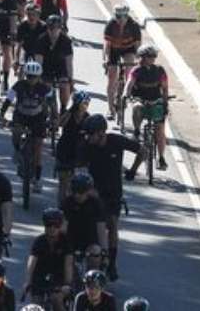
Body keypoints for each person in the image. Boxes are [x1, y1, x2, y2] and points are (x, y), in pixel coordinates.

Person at [78, 115, 141, 281]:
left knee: (112, 225)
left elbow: (143, 151)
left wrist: (133, 170)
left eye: (90, 134)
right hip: (92, 193)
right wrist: (87, 191)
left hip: (113, 194)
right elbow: (80, 170)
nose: (87, 137)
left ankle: (112, 263)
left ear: (100, 133)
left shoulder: (116, 141)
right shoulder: (86, 147)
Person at [0, 61, 53, 192]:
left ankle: (37, 179)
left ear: (39, 77)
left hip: (38, 118)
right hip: (21, 116)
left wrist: (55, 118)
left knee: (38, 148)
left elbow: (53, 105)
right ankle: (17, 150)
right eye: (29, 76)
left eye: (34, 77)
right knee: (16, 132)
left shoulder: (45, 89)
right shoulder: (19, 85)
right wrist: (2, 115)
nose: (31, 79)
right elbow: (8, 100)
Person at [126, 45, 170, 169]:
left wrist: (165, 103)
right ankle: (136, 131)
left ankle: (161, 158)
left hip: (156, 101)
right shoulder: (136, 70)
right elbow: (129, 84)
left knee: (160, 131)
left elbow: (165, 88)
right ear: (142, 57)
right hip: (140, 99)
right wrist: (126, 95)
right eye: (150, 56)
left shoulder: (160, 70)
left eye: (154, 56)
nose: (153, 58)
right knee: (136, 108)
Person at [22, 209, 73, 311]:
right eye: (49, 225)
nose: (52, 228)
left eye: (56, 225)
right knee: (36, 304)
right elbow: (32, 262)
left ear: (60, 226)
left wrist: (67, 284)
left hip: (59, 278)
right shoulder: (39, 241)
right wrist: (27, 281)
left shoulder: (66, 242)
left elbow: (68, 264)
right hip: (40, 277)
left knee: (56, 299)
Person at [32, 15, 73, 122]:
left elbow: (69, 62)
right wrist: (38, 76)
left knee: (65, 86)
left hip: (61, 68)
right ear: (47, 28)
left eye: (56, 28)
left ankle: (63, 108)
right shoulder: (41, 40)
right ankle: (44, 109)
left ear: (60, 28)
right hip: (46, 68)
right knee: (45, 87)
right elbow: (38, 61)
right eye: (51, 28)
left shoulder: (66, 41)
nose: (53, 31)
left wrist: (70, 78)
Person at [103, 5, 141, 119]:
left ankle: (125, 93)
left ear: (126, 16)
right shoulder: (110, 24)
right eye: (117, 17)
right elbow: (106, 44)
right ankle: (110, 109)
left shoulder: (134, 26)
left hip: (128, 49)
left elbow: (137, 45)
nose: (119, 19)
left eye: (122, 17)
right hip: (113, 49)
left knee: (129, 69)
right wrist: (106, 59)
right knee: (112, 77)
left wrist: (139, 60)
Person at [55, 91, 91, 206]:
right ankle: (61, 206)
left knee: (79, 182)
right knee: (63, 181)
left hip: (80, 153)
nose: (85, 106)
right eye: (83, 103)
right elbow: (59, 124)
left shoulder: (88, 118)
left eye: (87, 103)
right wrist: (69, 112)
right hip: (64, 150)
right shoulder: (69, 115)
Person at [14, 6, 46, 74]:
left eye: (34, 14)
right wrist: (16, 60)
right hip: (26, 50)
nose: (31, 17)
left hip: (40, 52)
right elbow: (18, 45)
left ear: (38, 16)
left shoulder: (44, 27)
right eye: (28, 14)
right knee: (21, 69)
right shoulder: (22, 26)